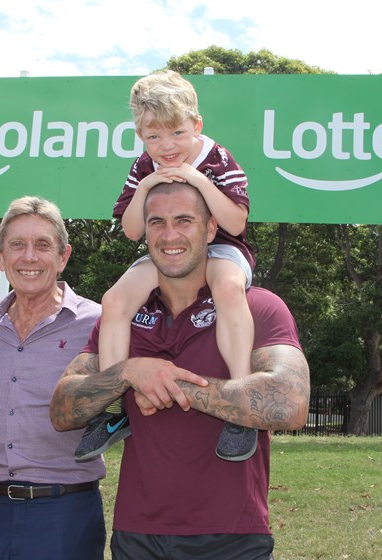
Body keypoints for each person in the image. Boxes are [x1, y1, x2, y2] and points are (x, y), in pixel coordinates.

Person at [51, 181, 310, 560]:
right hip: (138, 535)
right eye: (157, 222)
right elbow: (61, 410)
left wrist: (172, 385)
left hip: (233, 536)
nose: (169, 235)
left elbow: (290, 403)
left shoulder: (257, 307)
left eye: (184, 220)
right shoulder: (122, 316)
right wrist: (127, 373)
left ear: (210, 228)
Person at [76, 69, 258, 462]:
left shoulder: (218, 159)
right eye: (154, 137)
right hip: (168, 253)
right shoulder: (144, 165)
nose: (167, 145)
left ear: (197, 125)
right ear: (140, 134)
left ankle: (241, 401)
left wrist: (198, 181)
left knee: (228, 287)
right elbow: (132, 231)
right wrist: (146, 186)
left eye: (177, 133)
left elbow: (235, 223)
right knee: (114, 300)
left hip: (222, 250)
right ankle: (113, 409)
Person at [0, 196, 107, 559]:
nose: (30, 257)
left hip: (66, 512)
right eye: (18, 245)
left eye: (43, 245)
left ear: (63, 256)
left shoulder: (99, 323)